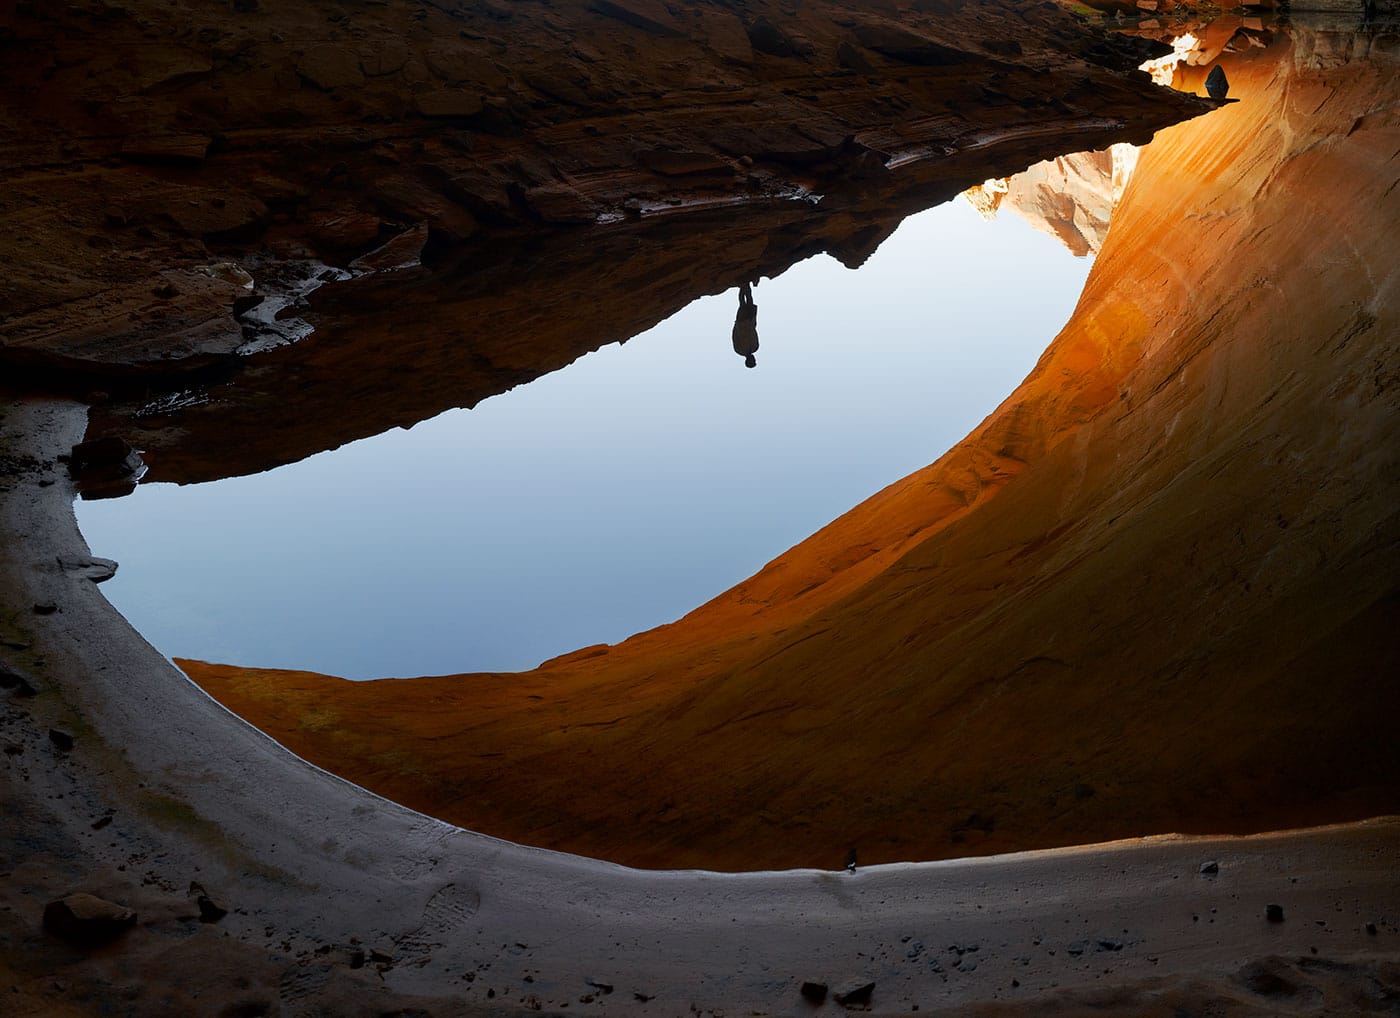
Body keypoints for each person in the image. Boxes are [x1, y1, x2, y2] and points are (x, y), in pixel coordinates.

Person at [732, 280, 759, 368]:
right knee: (750, 300)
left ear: (748, 361)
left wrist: (737, 325)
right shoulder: (755, 347)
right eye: (754, 360)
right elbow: (755, 333)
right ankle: (746, 284)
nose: (754, 359)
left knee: (742, 303)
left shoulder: (739, 350)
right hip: (750, 322)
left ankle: (742, 285)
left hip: (742, 323)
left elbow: (734, 337)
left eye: (753, 360)